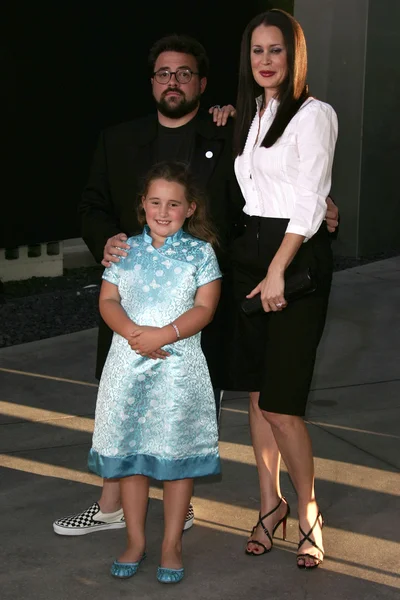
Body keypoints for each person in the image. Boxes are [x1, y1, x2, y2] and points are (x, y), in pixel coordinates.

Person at [52, 32, 340, 537]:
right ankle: (109, 506)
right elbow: (90, 206)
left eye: (185, 73)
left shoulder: (227, 133)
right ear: (151, 82)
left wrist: (324, 208)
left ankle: (177, 505)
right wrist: (108, 242)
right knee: (123, 402)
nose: (174, 81)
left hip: (204, 297)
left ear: (202, 84)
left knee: (182, 404)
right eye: (164, 73)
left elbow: (269, 188)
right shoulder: (117, 139)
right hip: (131, 297)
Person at [225, 9, 338, 570]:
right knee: (254, 395)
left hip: (293, 259)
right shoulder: (252, 113)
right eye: (256, 51)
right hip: (251, 254)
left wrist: (277, 269)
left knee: (283, 404)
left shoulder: (315, 115)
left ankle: (311, 513)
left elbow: (311, 200)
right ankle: (270, 506)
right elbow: (255, 183)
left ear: (294, 57)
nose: (265, 61)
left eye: (276, 51)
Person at [88, 160, 221, 583]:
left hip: (177, 371)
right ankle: (135, 539)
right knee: (131, 458)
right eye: (155, 202)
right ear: (142, 204)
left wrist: (164, 334)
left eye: (174, 204)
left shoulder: (199, 253)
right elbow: (108, 300)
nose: (164, 212)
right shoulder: (125, 250)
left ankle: (171, 544)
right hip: (127, 366)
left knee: (175, 458)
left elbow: (205, 307)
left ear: (190, 209)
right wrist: (133, 334)